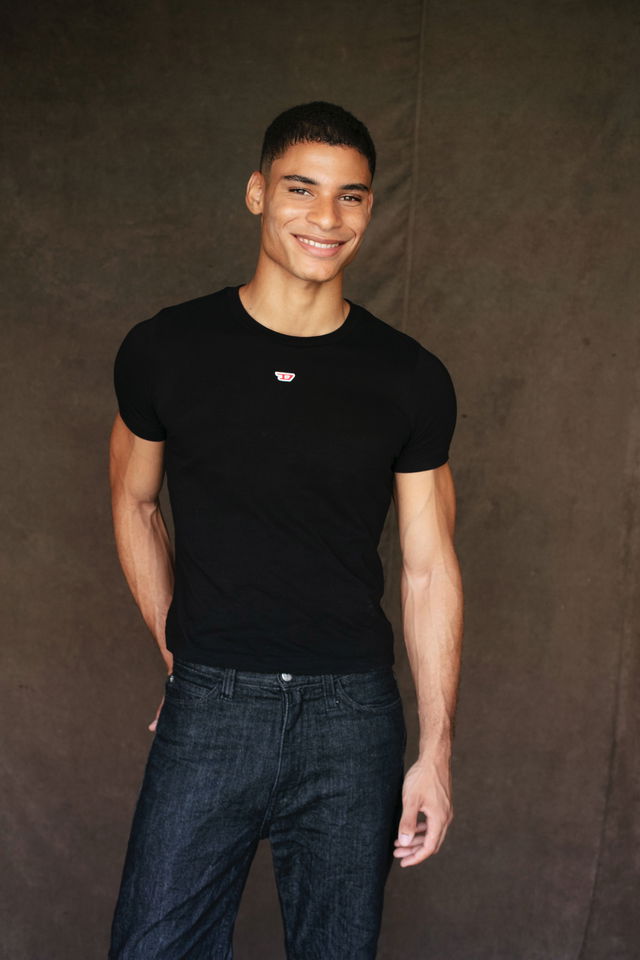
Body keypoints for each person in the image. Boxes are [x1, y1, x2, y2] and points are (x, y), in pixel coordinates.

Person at [108, 100, 463, 960]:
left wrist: (437, 752)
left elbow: (429, 568)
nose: (326, 217)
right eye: (302, 189)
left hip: (352, 720)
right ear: (258, 193)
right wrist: (178, 653)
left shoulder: (409, 377)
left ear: (370, 208)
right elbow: (134, 502)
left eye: (351, 196)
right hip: (212, 703)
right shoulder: (167, 348)